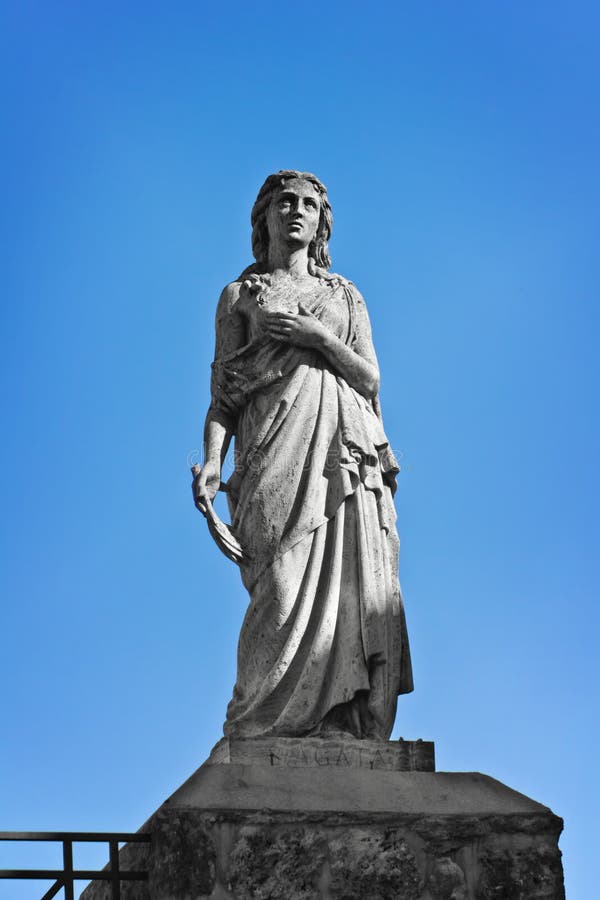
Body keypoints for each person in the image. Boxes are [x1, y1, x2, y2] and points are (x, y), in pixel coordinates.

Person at [193, 170, 413, 741]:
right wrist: (213, 463)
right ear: (264, 218)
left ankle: (344, 721)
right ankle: (257, 729)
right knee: (281, 588)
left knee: (351, 591)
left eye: (309, 204)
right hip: (272, 455)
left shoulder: (344, 296)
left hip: (341, 452)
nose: (297, 211)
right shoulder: (239, 297)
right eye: (284, 202)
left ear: (321, 222)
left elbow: (369, 376)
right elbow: (223, 398)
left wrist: (317, 337)